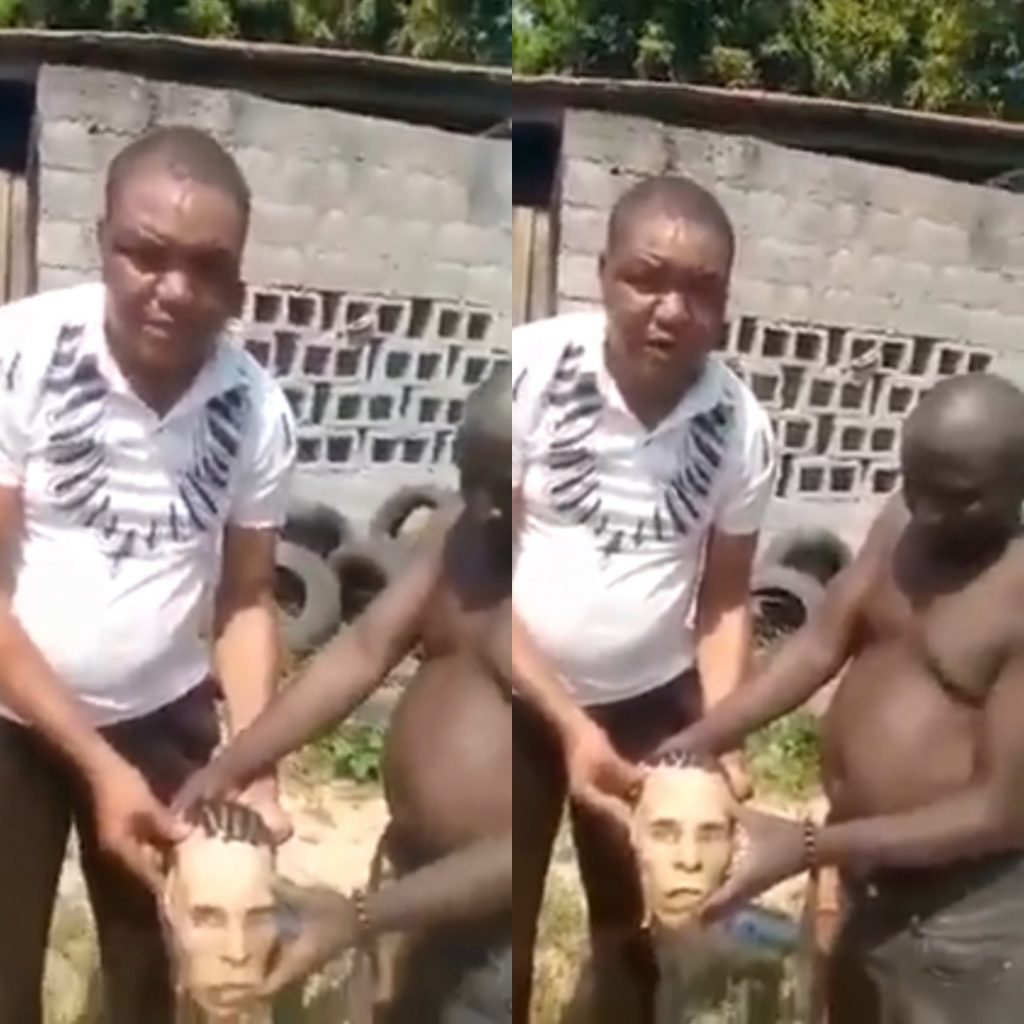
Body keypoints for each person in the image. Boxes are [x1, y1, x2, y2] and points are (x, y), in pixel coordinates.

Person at [0, 126, 296, 1023]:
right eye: (145, 255)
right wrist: (96, 765)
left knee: (153, 969)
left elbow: (245, 598)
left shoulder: (254, 409)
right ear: (102, 243)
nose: (174, 289)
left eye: (208, 267)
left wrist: (256, 759)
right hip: (14, 719)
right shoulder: (19, 359)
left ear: (237, 282)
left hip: (164, 723)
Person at [661, 372, 1024, 1024]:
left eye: (959, 498)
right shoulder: (907, 519)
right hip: (864, 877)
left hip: (959, 924)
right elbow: (820, 644)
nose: (929, 513)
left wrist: (806, 847)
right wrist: (700, 738)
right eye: (915, 485)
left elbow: (1001, 812)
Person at [511, 174, 778, 1022]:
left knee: (632, 920)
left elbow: (725, 600)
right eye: (646, 279)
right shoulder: (528, 374)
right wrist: (568, 723)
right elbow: (480, 577)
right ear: (602, 275)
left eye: (700, 291)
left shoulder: (740, 427)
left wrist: (722, 732)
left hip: (649, 707)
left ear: (725, 305)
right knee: (501, 918)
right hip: (514, 694)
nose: (671, 310)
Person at [175, 366, 515, 1023]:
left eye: (502, 491)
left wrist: (362, 917)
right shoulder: (465, 530)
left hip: (496, 916)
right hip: (410, 870)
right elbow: (363, 651)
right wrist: (237, 762)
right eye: (470, 482)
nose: (482, 509)